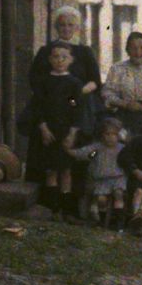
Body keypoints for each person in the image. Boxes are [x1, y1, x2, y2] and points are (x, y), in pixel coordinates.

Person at [27, 8, 102, 185]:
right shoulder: (46, 51)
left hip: (77, 108)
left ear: (77, 27)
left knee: (74, 152)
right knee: (49, 157)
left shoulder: (85, 51)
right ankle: (47, 203)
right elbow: (34, 79)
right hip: (50, 109)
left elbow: (95, 81)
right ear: (56, 27)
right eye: (62, 25)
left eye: (70, 25)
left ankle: (72, 204)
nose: (66, 28)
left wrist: (78, 92)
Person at [30, 42, 84, 216]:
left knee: (66, 170)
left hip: (66, 131)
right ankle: (52, 208)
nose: (60, 61)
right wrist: (43, 128)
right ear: (49, 59)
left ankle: (65, 207)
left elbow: (76, 108)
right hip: (49, 131)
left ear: (71, 60)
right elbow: (38, 106)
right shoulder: (44, 82)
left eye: (64, 57)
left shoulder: (74, 84)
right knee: (51, 170)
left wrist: (72, 133)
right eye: (56, 57)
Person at [71, 117, 130, 231]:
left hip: (118, 178)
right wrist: (70, 151)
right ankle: (103, 221)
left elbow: (130, 160)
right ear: (102, 134)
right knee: (101, 199)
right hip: (102, 179)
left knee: (118, 194)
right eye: (107, 134)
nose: (110, 137)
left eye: (114, 134)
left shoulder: (123, 149)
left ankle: (119, 223)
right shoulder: (97, 149)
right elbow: (86, 155)